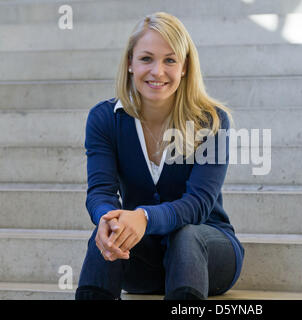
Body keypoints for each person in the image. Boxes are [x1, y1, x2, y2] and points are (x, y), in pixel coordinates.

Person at [75, 12, 245, 300]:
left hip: (207, 253)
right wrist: (108, 219)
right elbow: (101, 192)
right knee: (105, 230)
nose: (158, 71)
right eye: (146, 59)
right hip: (142, 259)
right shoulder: (104, 119)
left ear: (184, 67)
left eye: (169, 60)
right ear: (129, 63)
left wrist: (144, 216)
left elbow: (198, 205)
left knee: (187, 235)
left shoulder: (212, 121)